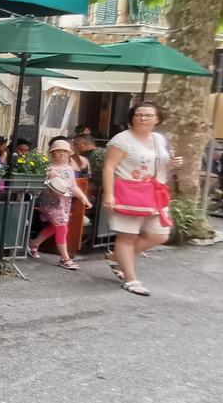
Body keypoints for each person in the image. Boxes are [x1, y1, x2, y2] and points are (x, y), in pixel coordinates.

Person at [102, 101, 183, 297]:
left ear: (157, 119)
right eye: (138, 114)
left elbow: (162, 166)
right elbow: (109, 167)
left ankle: (116, 257)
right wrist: (109, 194)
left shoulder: (160, 140)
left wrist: (174, 164)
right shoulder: (122, 140)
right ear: (132, 117)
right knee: (127, 237)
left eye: (147, 115)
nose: (142, 118)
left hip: (155, 193)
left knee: (159, 235)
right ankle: (130, 278)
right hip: (129, 192)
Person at [28, 138, 93, 269]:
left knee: (55, 227)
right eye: (58, 151)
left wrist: (83, 198)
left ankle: (33, 244)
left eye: (65, 151)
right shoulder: (47, 168)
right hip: (50, 203)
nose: (62, 154)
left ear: (69, 153)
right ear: (52, 153)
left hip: (64, 203)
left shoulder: (69, 169)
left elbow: (73, 186)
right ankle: (65, 258)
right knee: (62, 227)